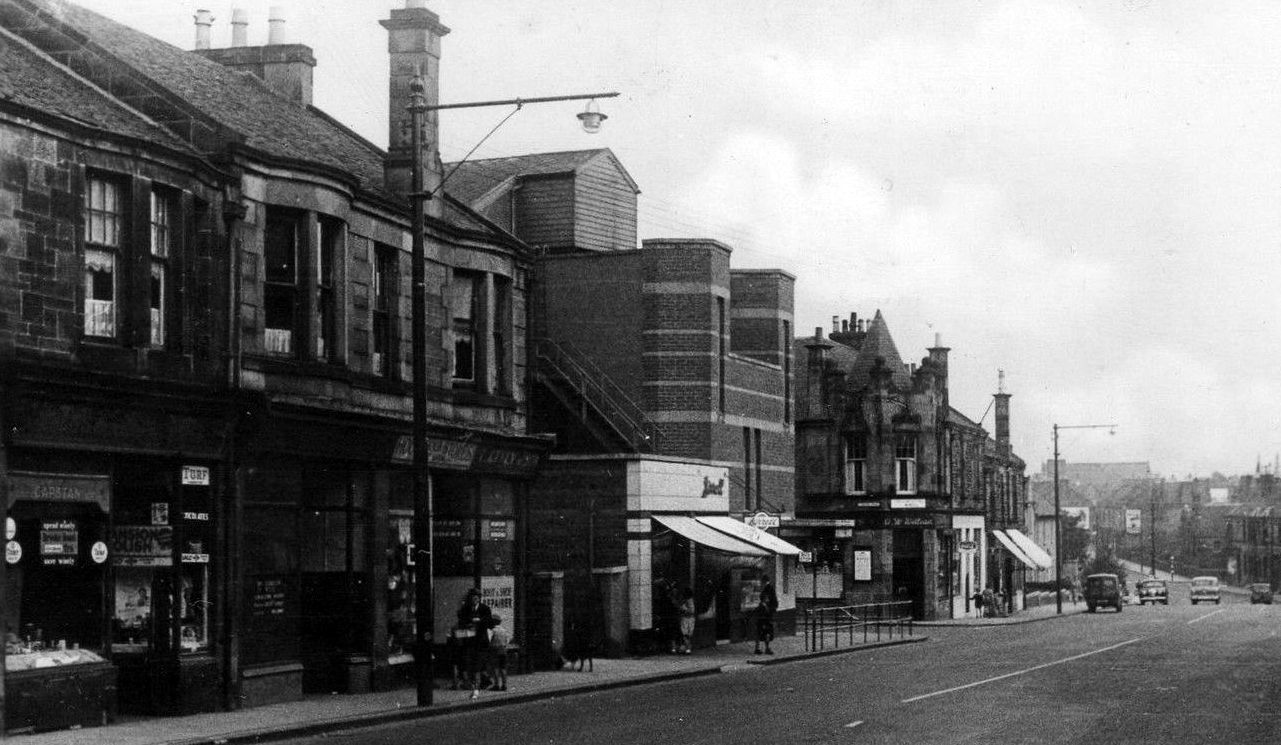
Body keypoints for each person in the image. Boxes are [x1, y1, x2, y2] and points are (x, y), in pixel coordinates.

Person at [456, 588, 493, 699]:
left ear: (479, 598)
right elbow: (461, 622)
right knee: (470, 667)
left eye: (477, 597)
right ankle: (476, 686)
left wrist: (479, 621)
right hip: (469, 642)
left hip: (481, 642)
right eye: (473, 597)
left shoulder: (485, 609)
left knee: (477, 667)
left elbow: (490, 623)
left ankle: (476, 690)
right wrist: (468, 624)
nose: (475, 599)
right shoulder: (465, 609)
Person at [754, 579, 779, 655]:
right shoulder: (769, 590)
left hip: (763, 618)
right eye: (767, 599)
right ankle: (764, 648)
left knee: (763, 633)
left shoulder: (766, 590)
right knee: (766, 633)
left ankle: (760, 648)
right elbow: (775, 604)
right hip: (766, 618)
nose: (767, 599)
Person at [486, 615, 510, 691]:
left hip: (494, 650)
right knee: (503, 668)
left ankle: (496, 685)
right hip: (503, 650)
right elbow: (507, 641)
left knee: (495, 668)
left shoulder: (492, 630)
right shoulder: (504, 630)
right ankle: (504, 685)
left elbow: (488, 640)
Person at [677, 587, 696, 654]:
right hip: (691, 618)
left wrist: (683, 608)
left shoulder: (687, 601)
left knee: (684, 634)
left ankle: (687, 648)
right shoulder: (691, 600)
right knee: (688, 634)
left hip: (685, 618)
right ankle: (686, 647)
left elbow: (691, 610)